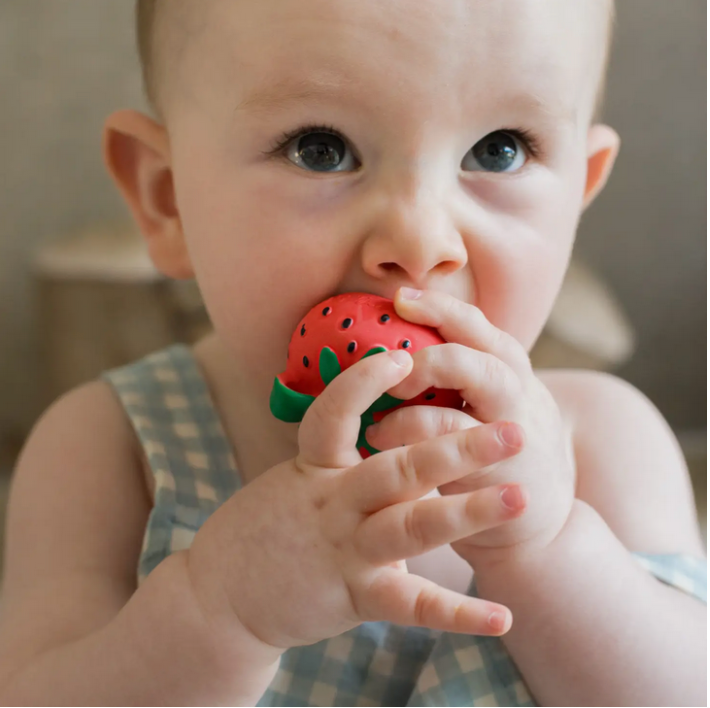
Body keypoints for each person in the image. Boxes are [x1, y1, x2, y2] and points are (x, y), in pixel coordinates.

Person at [0, 0, 705, 705]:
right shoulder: (108, 446)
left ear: (578, 192)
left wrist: (547, 551)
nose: (421, 242)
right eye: (321, 149)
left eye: (499, 149)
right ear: (168, 199)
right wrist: (218, 614)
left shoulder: (604, 442)